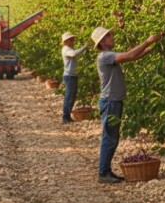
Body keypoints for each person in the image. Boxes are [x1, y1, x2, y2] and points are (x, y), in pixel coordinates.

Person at [91, 26, 158, 184]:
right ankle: (103, 172)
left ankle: (106, 171)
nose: (112, 37)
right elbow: (129, 55)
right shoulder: (104, 56)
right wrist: (147, 42)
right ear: (102, 42)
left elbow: (132, 57)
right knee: (109, 137)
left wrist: (149, 49)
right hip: (110, 102)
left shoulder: (107, 56)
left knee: (112, 137)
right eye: (109, 36)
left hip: (113, 101)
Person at [61, 32, 87, 123]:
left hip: (73, 75)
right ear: (66, 41)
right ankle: (65, 117)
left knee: (72, 95)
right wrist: (84, 47)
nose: (73, 41)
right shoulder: (66, 49)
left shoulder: (70, 48)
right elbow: (73, 54)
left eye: (73, 39)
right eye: (71, 39)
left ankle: (68, 116)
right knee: (69, 96)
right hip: (69, 75)